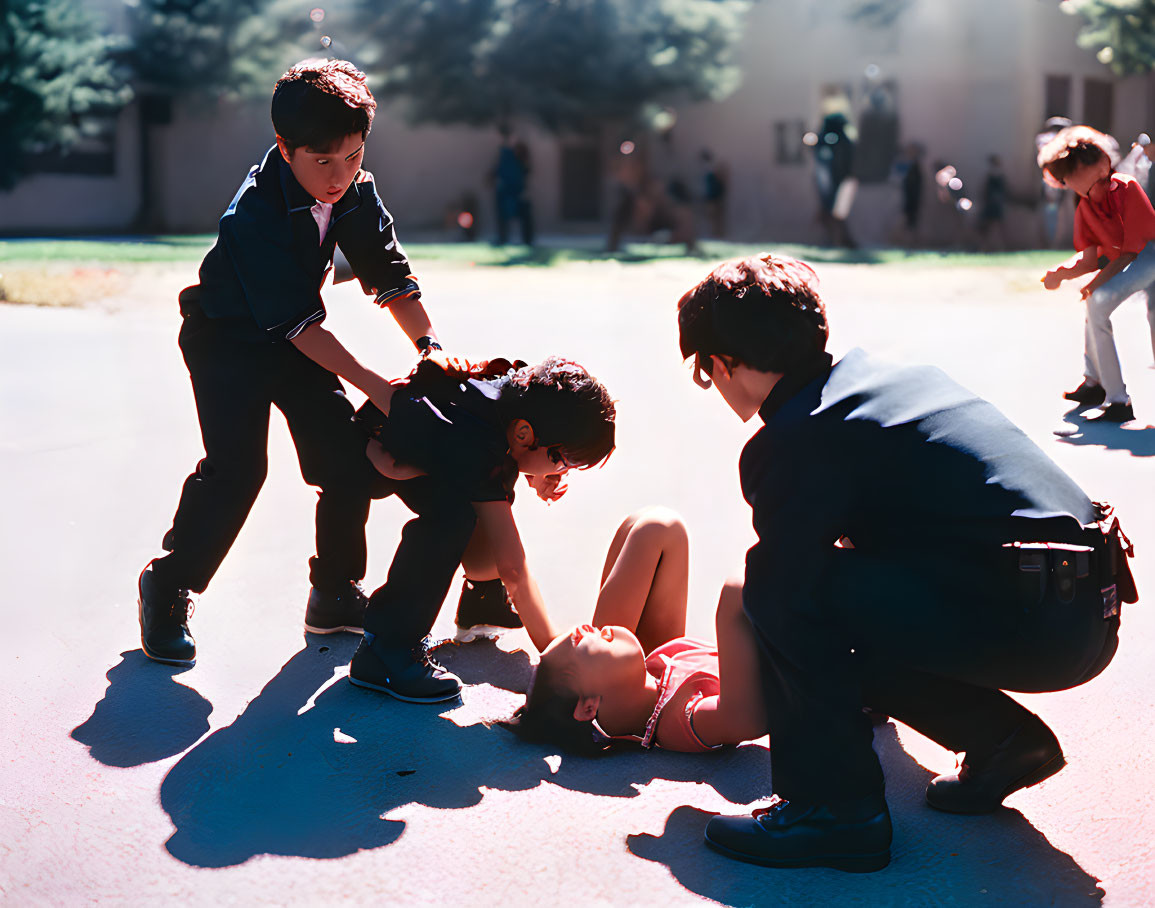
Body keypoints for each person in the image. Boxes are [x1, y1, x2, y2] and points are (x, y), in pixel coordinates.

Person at [677, 253, 1135, 873]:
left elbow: (793, 591)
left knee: (775, 589)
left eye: (705, 372)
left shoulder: (796, 435)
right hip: (1087, 611)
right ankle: (1004, 744)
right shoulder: (885, 377)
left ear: (721, 362)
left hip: (1026, 621)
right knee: (827, 593)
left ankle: (833, 813)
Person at [136, 60, 447, 667]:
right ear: (285, 147)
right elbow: (302, 327)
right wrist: (378, 388)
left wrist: (430, 349)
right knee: (238, 471)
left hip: (291, 338)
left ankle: (333, 593)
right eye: (323, 161)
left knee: (345, 463)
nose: (340, 175)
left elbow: (390, 274)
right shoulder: (253, 215)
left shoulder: (354, 189)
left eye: (354, 156)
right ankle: (168, 584)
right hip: (226, 342)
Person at [348, 356, 616, 703]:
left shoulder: (514, 403)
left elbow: (513, 454)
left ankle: (483, 602)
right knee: (456, 515)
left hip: (408, 448)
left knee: (490, 493)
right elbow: (514, 567)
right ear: (524, 434)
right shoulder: (482, 448)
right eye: (565, 460)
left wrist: (539, 471)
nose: (564, 472)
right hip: (367, 452)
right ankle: (385, 649)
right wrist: (553, 652)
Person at [504, 508, 767, 755]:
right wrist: (734, 599)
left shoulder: (652, 676)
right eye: (577, 641)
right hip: (789, 660)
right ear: (588, 706)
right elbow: (745, 719)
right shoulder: (681, 720)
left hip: (656, 674)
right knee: (743, 586)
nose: (583, 627)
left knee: (653, 527)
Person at [1039, 125, 1155, 423]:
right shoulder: (1085, 208)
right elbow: (1091, 259)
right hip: (1135, 264)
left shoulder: (1126, 187)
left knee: (1099, 301)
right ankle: (1096, 385)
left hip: (1150, 256)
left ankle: (1118, 401)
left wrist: (1095, 284)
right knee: (1096, 306)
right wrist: (1061, 273)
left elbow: (1130, 252)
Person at [491, 126, 533, 246]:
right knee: (502, 215)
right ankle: (503, 237)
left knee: (524, 215)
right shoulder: (503, 153)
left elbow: (526, 169)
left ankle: (527, 239)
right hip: (505, 190)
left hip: (517, 189)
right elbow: (498, 169)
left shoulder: (519, 150)